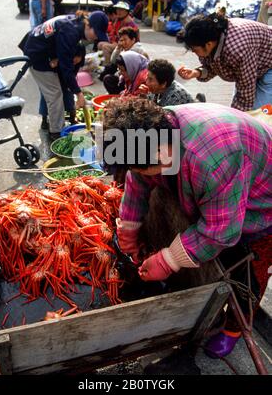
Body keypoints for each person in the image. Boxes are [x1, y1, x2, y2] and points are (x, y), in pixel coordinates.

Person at [102, 97, 272, 358]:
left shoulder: (212, 159)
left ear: (161, 154)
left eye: (139, 167)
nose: (135, 172)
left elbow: (220, 231)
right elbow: (137, 182)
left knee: (248, 269)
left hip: (261, 200)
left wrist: (169, 259)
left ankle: (234, 328)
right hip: (221, 183)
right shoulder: (151, 133)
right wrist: (128, 231)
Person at [19, 11, 109, 140]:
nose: (96, 38)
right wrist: (78, 93)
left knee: (59, 87)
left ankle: (56, 123)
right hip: (37, 55)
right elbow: (66, 68)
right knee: (54, 93)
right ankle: (56, 133)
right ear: (88, 25)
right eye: (96, 33)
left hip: (46, 51)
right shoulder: (70, 32)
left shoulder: (75, 25)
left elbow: (67, 68)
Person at [178, 13, 272, 112]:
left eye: (195, 49)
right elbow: (211, 66)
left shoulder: (237, 49)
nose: (194, 52)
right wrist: (197, 73)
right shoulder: (212, 37)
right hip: (254, 63)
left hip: (269, 62)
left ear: (208, 44)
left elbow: (245, 92)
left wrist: (235, 119)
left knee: (260, 114)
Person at [103, 27, 148, 94]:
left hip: (134, 79)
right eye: (121, 40)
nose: (122, 43)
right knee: (108, 73)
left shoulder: (138, 51)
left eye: (125, 40)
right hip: (126, 77)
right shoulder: (124, 49)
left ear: (133, 40)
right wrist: (118, 47)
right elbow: (113, 61)